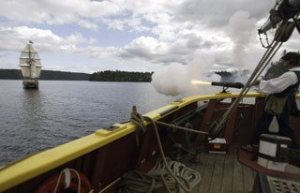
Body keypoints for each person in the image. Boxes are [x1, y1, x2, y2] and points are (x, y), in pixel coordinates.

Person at [250, 52, 300, 149]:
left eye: (284, 61)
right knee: (283, 126)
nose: (283, 63)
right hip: (287, 101)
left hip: (280, 102)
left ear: (290, 61)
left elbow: (275, 86)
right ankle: (295, 149)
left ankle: (255, 144)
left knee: (267, 123)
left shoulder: (291, 75)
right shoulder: (296, 73)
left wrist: (260, 82)